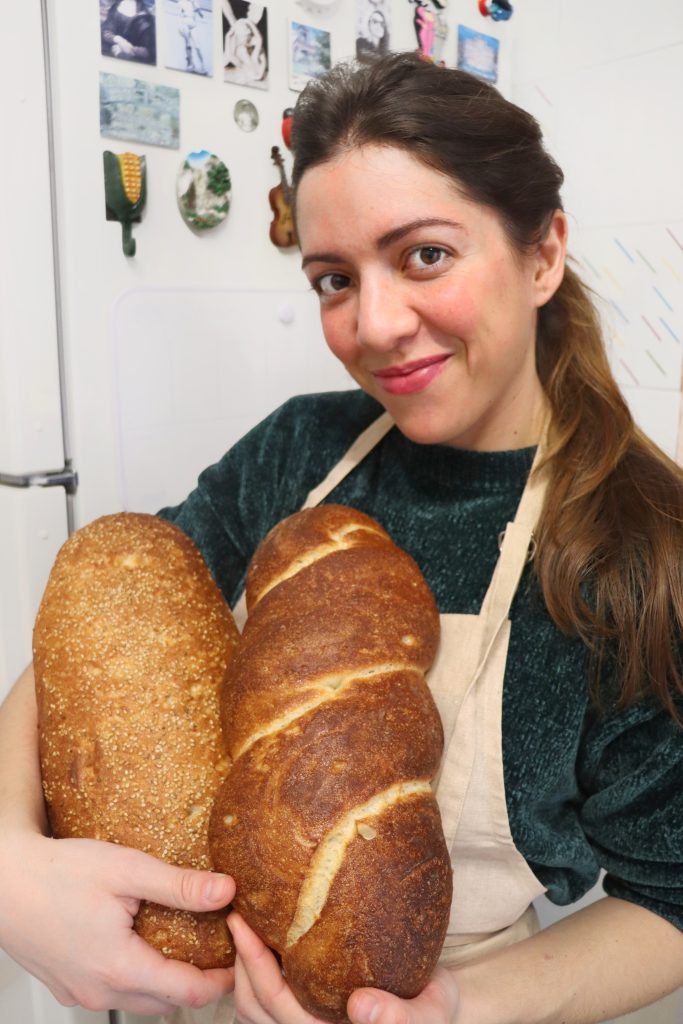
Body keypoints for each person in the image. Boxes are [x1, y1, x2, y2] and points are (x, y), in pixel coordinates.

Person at [1, 51, 683, 1024]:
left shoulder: (637, 554)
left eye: (423, 255)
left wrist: (456, 1007)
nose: (374, 323)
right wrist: (9, 866)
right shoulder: (298, 451)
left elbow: (668, 898)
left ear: (541, 253)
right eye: (332, 277)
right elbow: (100, 639)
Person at [222, 0, 267, 87]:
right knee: (246, 22)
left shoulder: (242, 64)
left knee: (232, 20)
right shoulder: (253, 59)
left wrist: (229, 35)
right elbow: (259, 39)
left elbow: (229, 55)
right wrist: (249, 24)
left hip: (239, 37)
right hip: (245, 37)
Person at [101, 0, 157, 65]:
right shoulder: (115, 7)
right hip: (108, 55)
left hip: (133, 64)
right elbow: (106, 30)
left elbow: (150, 52)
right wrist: (118, 39)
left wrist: (130, 50)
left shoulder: (146, 19)